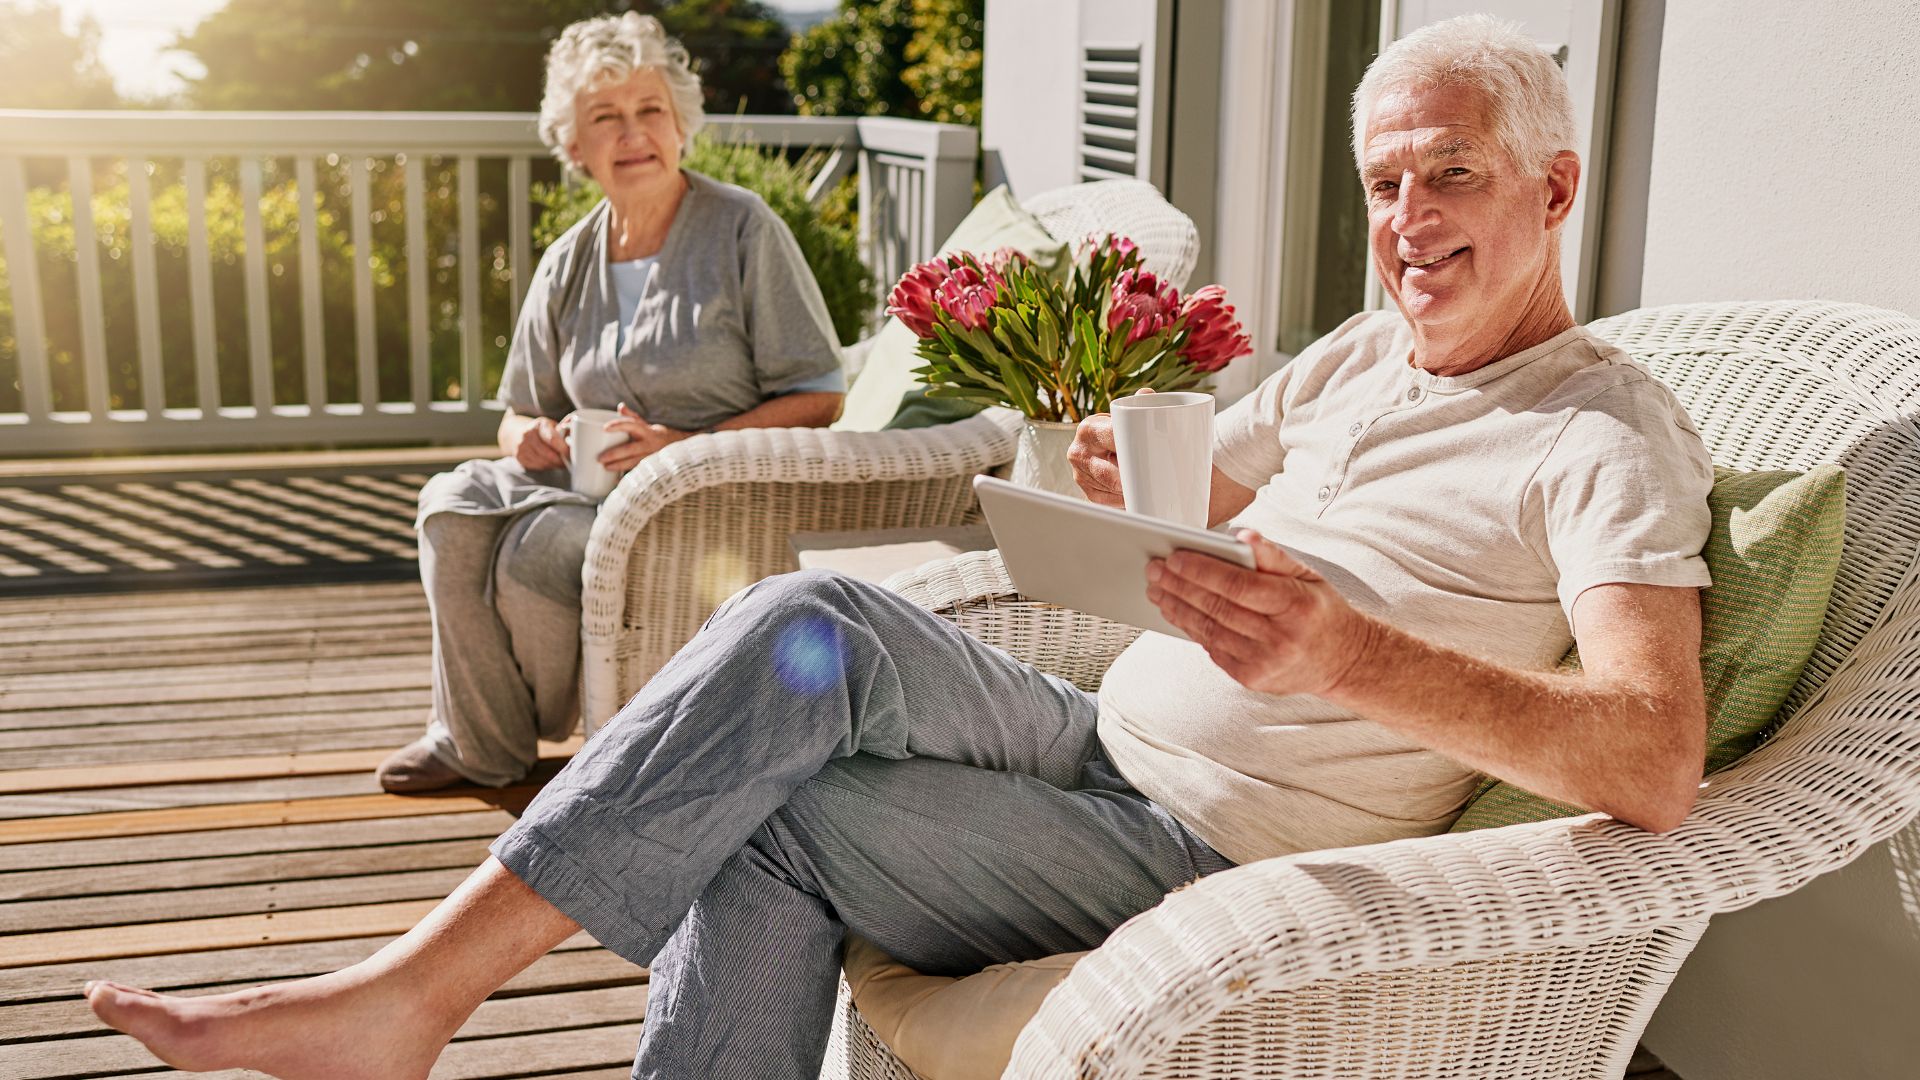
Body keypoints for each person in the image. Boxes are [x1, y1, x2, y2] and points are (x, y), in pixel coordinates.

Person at [85, 15, 1717, 1079]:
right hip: (1097, 732)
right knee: (817, 629)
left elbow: (1652, 759)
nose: (1410, 218)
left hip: (1214, 841)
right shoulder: (1366, 351)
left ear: (1556, 185)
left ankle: (413, 1001)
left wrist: (1349, 654)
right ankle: (418, 991)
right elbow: (1206, 490)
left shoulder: (1599, 438)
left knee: (767, 815)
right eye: (1384, 181)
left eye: (1453, 176)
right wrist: (1117, 473)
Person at [378, 13, 847, 794]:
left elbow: (820, 396)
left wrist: (681, 443)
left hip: (702, 497)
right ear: (576, 148)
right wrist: (529, 436)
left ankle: (546, 735)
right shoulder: (570, 258)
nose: (633, 134)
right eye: (606, 118)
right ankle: (479, 742)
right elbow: (517, 411)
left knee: (538, 548)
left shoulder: (742, 230)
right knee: (451, 507)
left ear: (680, 126)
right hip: (587, 485)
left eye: (649, 110)